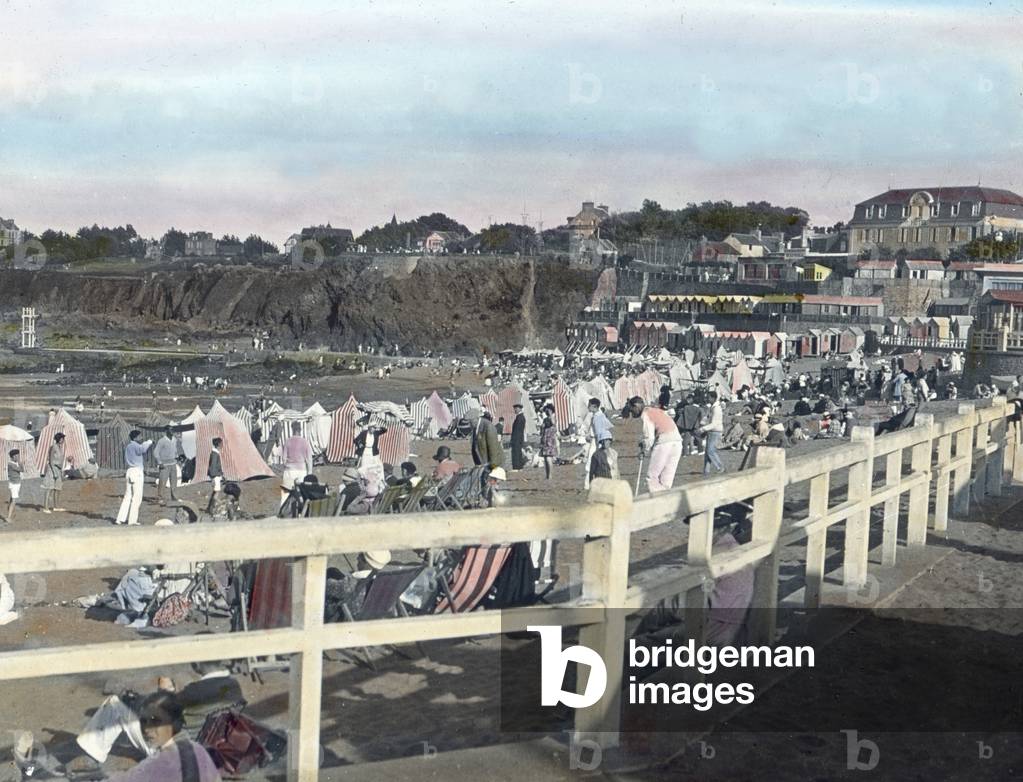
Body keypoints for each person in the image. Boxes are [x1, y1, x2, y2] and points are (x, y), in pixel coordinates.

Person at [628, 396, 683, 494]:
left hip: (664, 443)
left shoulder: (646, 414)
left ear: (637, 406)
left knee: (651, 477)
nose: (632, 414)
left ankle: (656, 503)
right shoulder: (657, 410)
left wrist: (643, 451)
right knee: (667, 479)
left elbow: (649, 437)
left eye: (632, 411)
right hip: (677, 443)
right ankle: (665, 502)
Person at [115, 430, 154, 526]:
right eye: (140, 437)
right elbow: (143, 449)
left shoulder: (128, 446)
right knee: (137, 497)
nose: (141, 438)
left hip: (129, 471)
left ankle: (120, 519)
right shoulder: (135, 446)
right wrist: (149, 442)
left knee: (127, 496)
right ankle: (132, 520)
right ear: (135, 438)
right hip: (136, 472)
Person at [584, 398, 614, 490]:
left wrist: (598, 446)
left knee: (591, 463)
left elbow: (598, 433)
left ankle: (588, 485)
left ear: (594, 406)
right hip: (601, 440)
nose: (588, 407)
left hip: (597, 441)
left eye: (589, 405)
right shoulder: (599, 416)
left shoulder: (597, 417)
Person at [281, 421, 314, 501]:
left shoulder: (287, 441)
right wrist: (309, 472)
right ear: (300, 430)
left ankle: (283, 509)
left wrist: (286, 465)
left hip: (290, 469)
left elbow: (284, 458)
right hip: (301, 470)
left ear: (292, 429)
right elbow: (309, 459)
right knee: (301, 493)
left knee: (286, 492)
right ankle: (300, 511)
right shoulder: (305, 442)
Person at [153, 426, 180, 506]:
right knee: (162, 482)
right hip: (164, 465)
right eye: (170, 430)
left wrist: (176, 456)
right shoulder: (162, 441)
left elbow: (175, 449)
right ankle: (160, 498)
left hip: (173, 464)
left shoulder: (174, 440)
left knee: (174, 482)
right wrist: (159, 462)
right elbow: (156, 452)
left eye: (173, 430)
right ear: (166, 431)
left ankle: (174, 497)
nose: (172, 431)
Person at [41, 432, 66, 514]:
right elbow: (51, 460)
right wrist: (54, 472)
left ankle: (56, 506)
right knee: (50, 488)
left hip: (58, 469)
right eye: (62, 438)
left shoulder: (60, 448)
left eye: (63, 438)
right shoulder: (53, 447)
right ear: (58, 439)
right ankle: (46, 507)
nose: (63, 440)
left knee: (58, 488)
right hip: (52, 469)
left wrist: (61, 471)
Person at [700, 392, 725, 475]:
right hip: (711, 431)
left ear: (714, 398)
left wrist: (703, 429)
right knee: (708, 452)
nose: (707, 399)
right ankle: (706, 471)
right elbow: (708, 419)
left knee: (711, 451)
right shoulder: (712, 408)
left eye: (709, 397)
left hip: (716, 431)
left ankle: (720, 467)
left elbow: (714, 423)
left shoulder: (716, 409)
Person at [539, 404, 559, 480]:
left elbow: (553, 423)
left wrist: (550, 415)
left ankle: (550, 475)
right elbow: (542, 429)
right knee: (545, 458)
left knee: (548, 458)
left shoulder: (553, 417)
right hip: (545, 439)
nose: (547, 412)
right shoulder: (545, 419)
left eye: (548, 410)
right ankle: (547, 475)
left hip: (550, 440)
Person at [5, 449, 22, 523]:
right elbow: (21, 469)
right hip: (14, 484)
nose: (17, 457)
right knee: (14, 500)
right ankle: (8, 517)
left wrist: (19, 463)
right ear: (12, 457)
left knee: (12, 498)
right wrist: (20, 463)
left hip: (16, 483)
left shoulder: (15, 463)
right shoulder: (11, 464)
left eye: (18, 455)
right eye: (16, 456)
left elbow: (22, 469)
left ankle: (9, 510)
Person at [510, 403, 527, 470]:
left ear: (519, 409)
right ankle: (519, 466)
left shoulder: (520, 417)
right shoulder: (520, 417)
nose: (515, 410)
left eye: (516, 408)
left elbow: (517, 430)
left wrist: (513, 439)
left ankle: (516, 467)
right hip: (519, 438)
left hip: (517, 438)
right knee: (518, 452)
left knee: (516, 452)